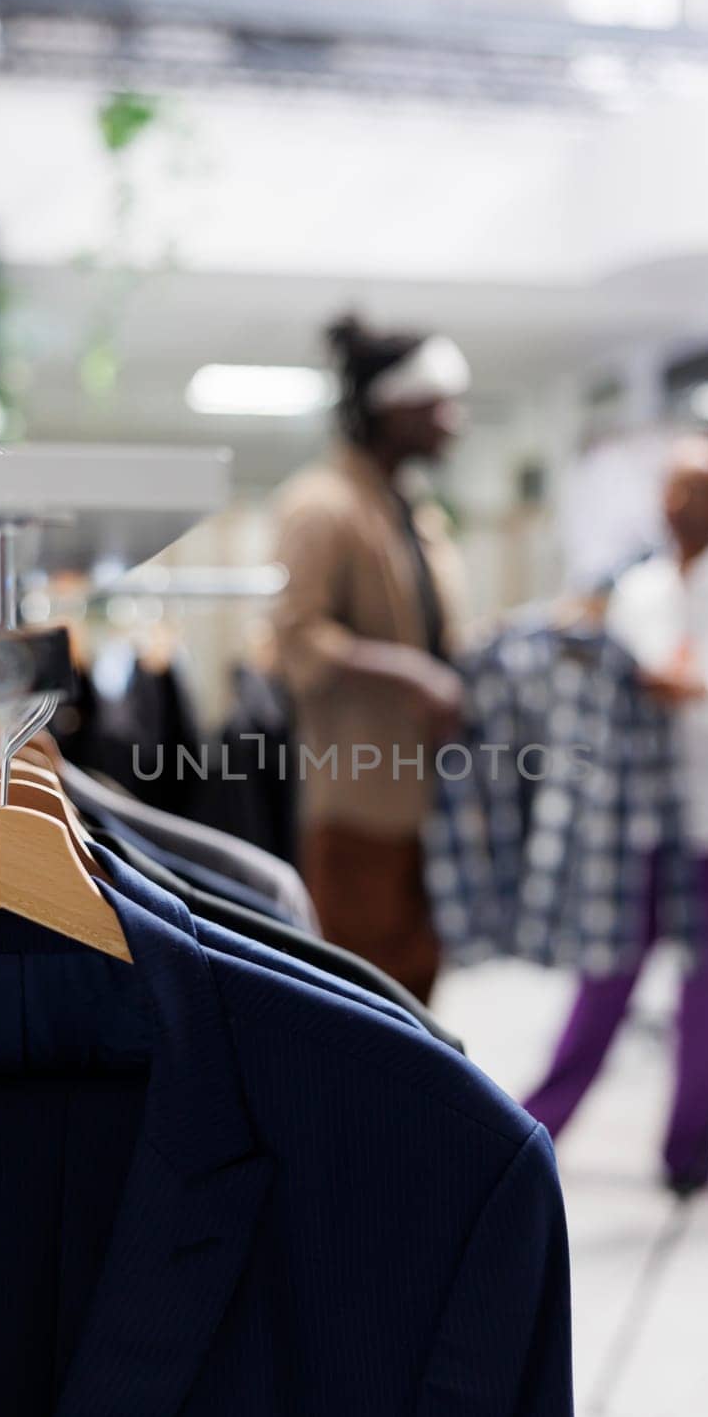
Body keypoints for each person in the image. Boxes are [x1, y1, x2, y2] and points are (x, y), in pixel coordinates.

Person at [524, 434, 708, 1192]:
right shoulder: (642, 590)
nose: (671, 504)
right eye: (666, 488)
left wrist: (706, 692)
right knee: (605, 978)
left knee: (705, 993)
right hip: (648, 822)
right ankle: (530, 1132)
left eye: (689, 490)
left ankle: (687, 1155)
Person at [271, 314, 470, 1002]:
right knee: (357, 993)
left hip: (429, 797)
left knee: (417, 985)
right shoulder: (321, 506)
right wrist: (410, 673)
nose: (455, 422)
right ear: (395, 409)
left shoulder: (410, 508)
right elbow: (294, 635)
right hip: (356, 799)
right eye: (440, 405)